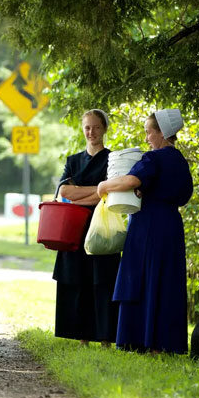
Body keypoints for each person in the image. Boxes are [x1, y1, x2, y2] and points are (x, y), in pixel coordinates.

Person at [96, 108, 193, 354]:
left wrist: (104, 186)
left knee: (143, 279)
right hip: (171, 224)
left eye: (150, 132)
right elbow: (183, 195)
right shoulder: (181, 161)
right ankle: (164, 343)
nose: (147, 138)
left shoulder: (154, 158)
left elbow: (131, 181)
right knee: (166, 281)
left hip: (147, 224)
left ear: (162, 133)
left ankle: (141, 340)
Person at [53, 109, 121, 347]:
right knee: (78, 279)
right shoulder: (73, 161)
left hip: (102, 226)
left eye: (96, 127)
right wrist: (97, 190)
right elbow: (64, 192)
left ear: (104, 129)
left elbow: (110, 194)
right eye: (87, 128)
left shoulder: (113, 160)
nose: (91, 132)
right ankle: (82, 337)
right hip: (75, 228)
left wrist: (83, 194)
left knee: (102, 281)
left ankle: (105, 338)